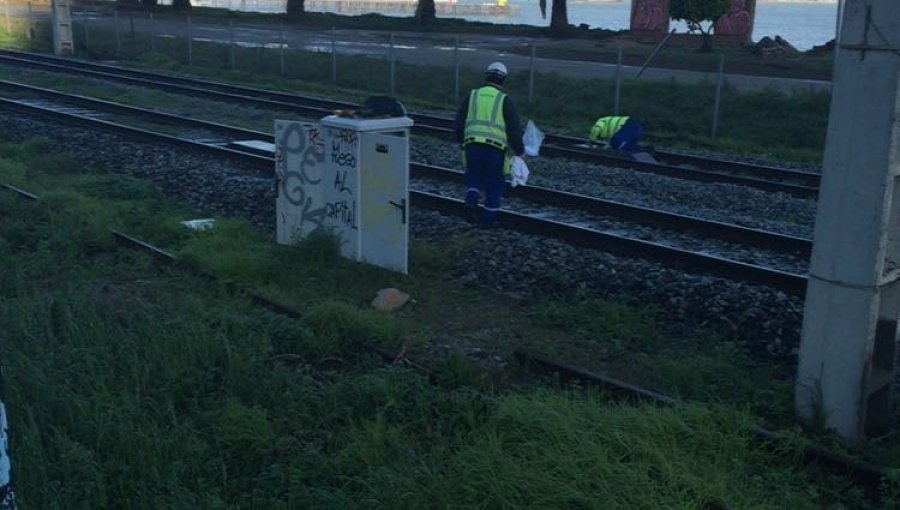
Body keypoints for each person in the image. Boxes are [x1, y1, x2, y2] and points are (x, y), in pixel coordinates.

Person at [454, 61, 525, 227]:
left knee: (474, 177)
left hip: (472, 146)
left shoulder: (472, 96)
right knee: (494, 183)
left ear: (487, 76)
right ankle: (488, 221)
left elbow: (459, 122)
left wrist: (462, 141)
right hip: (495, 150)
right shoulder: (505, 100)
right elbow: (514, 129)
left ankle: (471, 200)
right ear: (503, 80)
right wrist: (520, 151)